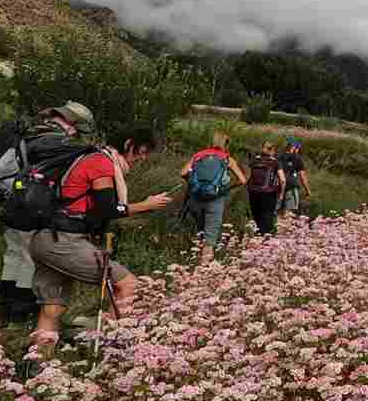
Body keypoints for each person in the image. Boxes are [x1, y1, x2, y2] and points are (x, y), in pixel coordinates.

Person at [22, 125, 172, 375]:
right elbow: (107, 209)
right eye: (141, 152)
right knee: (128, 284)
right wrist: (146, 205)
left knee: (52, 308)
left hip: (46, 238)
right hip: (65, 240)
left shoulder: (89, 158)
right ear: (128, 144)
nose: (142, 158)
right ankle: (109, 357)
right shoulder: (101, 163)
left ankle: (36, 370)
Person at [0, 101, 96, 328]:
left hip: (16, 202)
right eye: (77, 130)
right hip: (32, 208)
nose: (76, 135)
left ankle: (3, 315)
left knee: (13, 257)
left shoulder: (34, 130)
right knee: (26, 260)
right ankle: (20, 318)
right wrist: (93, 151)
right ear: (72, 122)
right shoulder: (52, 138)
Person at [180, 131, 248, 262]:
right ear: (226, 144)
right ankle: (202, 273)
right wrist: (226, 188)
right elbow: (243, 180)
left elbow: (182, 173)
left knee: (200, 232)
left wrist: (195, 185)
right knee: (209, 241)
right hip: (215, 201)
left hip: (195, 200)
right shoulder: (227, 158)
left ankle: (192, 265)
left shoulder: (199, 155)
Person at [245, 140, 286, 235]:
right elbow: (283, 180)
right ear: (272, 150)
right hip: (269, 193)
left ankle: (257, 236)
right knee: (267, 216)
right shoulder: (275, 162)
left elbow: (247, 177)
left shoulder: (254, 160)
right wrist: (281, 194)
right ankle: (265, 240)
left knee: (257, 217)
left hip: (254, 193)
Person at [277, 138, 311, 217]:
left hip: (278, 187)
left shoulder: (278, 157)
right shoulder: (297, 158)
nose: (298, 150)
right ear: (294, 147)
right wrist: (307, 190)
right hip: (291, 187)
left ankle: (276, 227)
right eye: (298, 148)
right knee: (289, 213)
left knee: (277, 212)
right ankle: (286, 228)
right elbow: (302, 177)